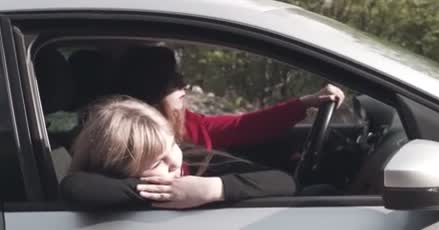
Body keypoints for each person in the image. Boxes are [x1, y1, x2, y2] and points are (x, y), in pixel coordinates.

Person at [61, 95, 296, 209]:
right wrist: (167, 193)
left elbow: (284, 182)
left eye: (172, 145)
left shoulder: (194, 158)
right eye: (156, 163)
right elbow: (76, 187)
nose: (174, 162)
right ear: (121, 172)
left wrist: (211, 189)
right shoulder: (104, 187)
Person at [115, 45, 345, 151]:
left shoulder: (188, 124)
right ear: (151, 88)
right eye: (172, 80)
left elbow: (242, 125)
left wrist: (305, 103)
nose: (184, 84)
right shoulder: (130, 144)